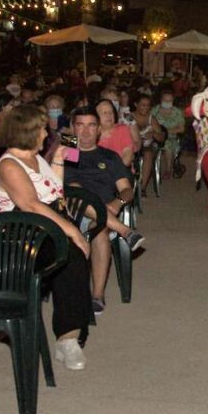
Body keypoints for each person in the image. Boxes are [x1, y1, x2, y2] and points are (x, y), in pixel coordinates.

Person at [0, 105, 94, 369]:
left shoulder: (36, 158)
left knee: (75, 254)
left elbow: (55, 195)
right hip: (23, 234)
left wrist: (60, 158)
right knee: (72, 254)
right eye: (41, 129)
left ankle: (69, 335)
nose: (46, 134)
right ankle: (68, 338)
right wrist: (71, 230)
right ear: (27, 132)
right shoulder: (8, 164)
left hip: (46, 226)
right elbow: (31, 205)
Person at [64, 108, 145, 314]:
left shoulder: (109, 157)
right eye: (80, 125)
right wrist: (67, 141)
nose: (86, 131)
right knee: (79, 193)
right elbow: (69, 184)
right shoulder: (69, 152)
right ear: (73, 128)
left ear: (99, 129)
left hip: (104, 214)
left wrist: (118, 202)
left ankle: (97, 296)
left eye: (91, 125)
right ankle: (125, 231)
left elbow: (126, 189)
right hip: (73, 211)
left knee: (99, 230)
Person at [131, 94, 165, 195]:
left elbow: (161, 137)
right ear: (136, 104)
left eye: (148, 105)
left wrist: (154, 134)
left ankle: (143, 187)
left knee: (148, 154)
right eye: (143, 105)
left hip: (146, 146)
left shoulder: (151, 119)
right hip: (132, 145)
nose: (146, 108)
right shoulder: (129, 117)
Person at [152, 91, 186, 178]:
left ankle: (168, 170)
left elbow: (181, 129)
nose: (167, 102)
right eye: (165, 100)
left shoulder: (177, 112)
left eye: (169, 100)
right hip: (156, 136)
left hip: (172, 137)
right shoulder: (155, 111)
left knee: (168, 144)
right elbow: (150, 124)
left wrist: (166, 131)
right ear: (161, 100)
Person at [96, 99, 136, 167]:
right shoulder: (89, 132)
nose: (109, 115)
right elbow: (72, 160)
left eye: (111, 112)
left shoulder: (122, 129)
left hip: (119, 173)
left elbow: (127, 158)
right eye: (104, 113)